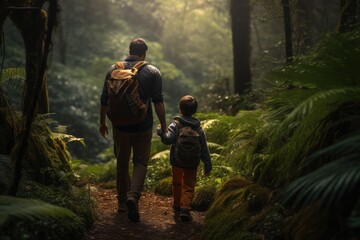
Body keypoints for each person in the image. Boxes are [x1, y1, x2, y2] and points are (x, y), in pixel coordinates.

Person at [99, 38, 167, 222]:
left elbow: (104, 99)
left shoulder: (113, 69)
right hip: (142, 125)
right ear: (144, 53)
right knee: (140, 162)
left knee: (122, 162)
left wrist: (102, 122)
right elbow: (158, 101)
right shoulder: (152, 71)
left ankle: (121, 203)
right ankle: (133, 197)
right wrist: (164, 124)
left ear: (129, 50)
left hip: (119, 126)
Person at [157, 95, 212, 221]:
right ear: (195, 111)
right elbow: (204, 147)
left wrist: (161, 132)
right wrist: (208, 164)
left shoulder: (175, 124)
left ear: (180, 109)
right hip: (193, 162)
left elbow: (168, 140)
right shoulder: (198, 128)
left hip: (177, 160)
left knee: (177, 183)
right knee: (189, 185)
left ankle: (177, 205)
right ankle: (185, 208)